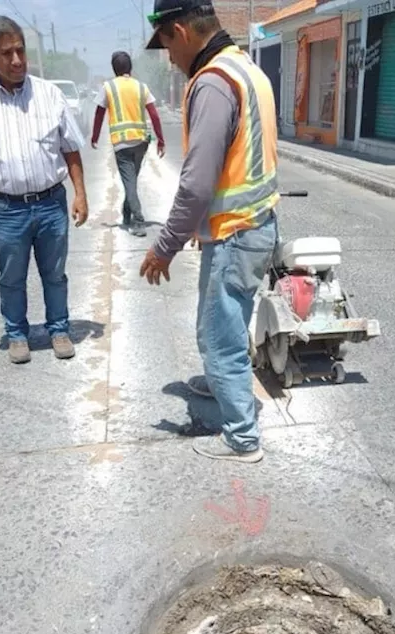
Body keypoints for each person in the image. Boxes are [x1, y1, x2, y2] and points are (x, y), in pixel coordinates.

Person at [140, 0, 280, 464]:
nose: (170, 60)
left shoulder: (214, 83)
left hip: (236, 234)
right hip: (257, 224)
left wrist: (164, 248)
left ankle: (242, 438)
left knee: (218, 336)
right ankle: (222, 384)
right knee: (227, 323)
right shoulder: (245, 68)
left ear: (179, 32)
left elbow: (197, 184)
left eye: (165, 46)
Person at [0, 16, 88, 365]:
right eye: (6, 53)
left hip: (50, 204)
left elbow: (70, 147)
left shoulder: (49, 94)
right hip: (5, 208)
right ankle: (17, 334)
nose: (16, 60)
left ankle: (59, 329)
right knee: (11, 277)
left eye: (20, 51)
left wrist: (80, 192)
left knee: (54, 273)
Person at [91, 50, 166, 237]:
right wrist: (160, 139)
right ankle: (126, 213)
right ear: (130, 67)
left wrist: (94, 136)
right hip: (141, 141)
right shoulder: (141, 87)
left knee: (129, 182)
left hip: (122, 144)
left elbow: (99, 113)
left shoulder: (108, 87)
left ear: (113, 68)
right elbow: (154, 114)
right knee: (131, 181)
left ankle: (138, 221)